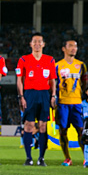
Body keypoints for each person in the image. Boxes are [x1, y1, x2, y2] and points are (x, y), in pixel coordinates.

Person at [16, 33, 57, 166]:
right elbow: (19, 80)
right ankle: (28, 158)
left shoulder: (50, 60)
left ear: (43, 44)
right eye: (35, 41)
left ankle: (41, 158)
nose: (37, 44)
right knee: (29, 125)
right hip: (30, 94)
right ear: (31, 44)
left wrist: (53, 95)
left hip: (44, 94)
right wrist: (21, 96)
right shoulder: (23, 59)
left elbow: (52, 80)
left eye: (40, 41)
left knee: (43, 126)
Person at [55, 40, 87, 166]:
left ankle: (87, 157)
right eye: (70, 46)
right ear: (64, 48)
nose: (74, 48)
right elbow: (53, 84)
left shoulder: (81, 65)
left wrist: (78, 94)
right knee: (63, 130)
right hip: (62, 103)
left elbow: (84, 83)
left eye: (75, 46)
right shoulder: (57, 65)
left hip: (77, 103)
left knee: (81, 130)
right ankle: (67, 157)